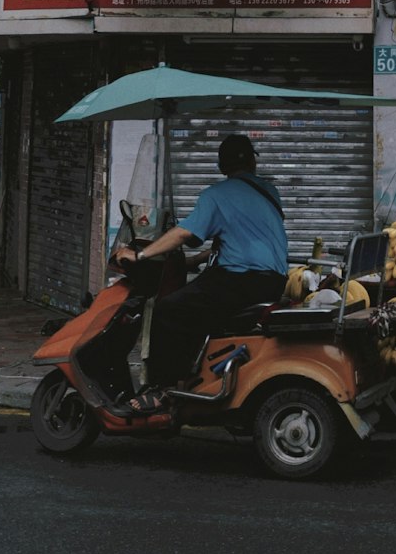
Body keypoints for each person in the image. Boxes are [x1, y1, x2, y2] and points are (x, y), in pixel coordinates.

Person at [115, 133, 288, 408]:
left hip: (241, 281)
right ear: (253, 163)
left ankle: (161, 389)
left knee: (168, 310)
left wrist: (140, 254)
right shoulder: (269, 191)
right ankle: (195, 379)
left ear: (221, 167)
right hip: (274, 281)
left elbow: (184, 233)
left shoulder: (215, 195)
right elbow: (243, 238)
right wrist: (193, 262)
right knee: (196, 301)